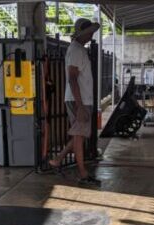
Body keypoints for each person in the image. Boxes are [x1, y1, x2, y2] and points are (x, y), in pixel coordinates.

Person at [49, 18, 101, 187]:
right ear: (83, 33)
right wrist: (80, 106)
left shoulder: (78, 49)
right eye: (90, 32)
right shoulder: (77, 50)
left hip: (81, 100)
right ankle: (83, 174)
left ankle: (58, 159)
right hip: (80, 101)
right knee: (79, 136)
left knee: (79, 134)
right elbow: (72, 78)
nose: (92, 34)